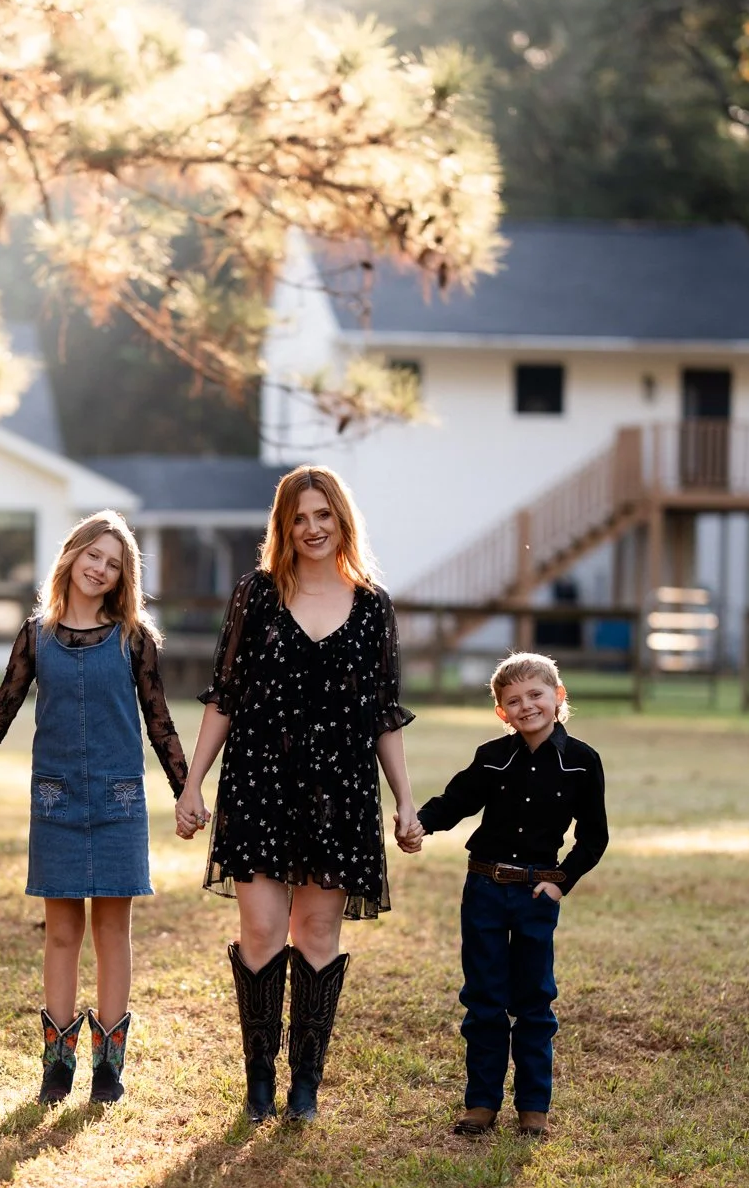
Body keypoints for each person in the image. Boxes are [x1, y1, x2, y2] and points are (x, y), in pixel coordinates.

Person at [175, 466, 421, 1125]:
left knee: (317, 930)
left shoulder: (372, 606)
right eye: (298, 517)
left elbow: (382, 715)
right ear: (282, 527)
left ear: (342, 521)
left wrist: (403, 801)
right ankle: (259, 1085)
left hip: (339, 793)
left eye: (323, 516)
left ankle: (303, 1089)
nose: (311, 528)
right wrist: (192, 782)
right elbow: (224, 696)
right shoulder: (256, 595)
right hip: (258, 784)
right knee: (259, 928)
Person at [0, 512, 189, 1106]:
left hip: (119, 799)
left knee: (112, 931)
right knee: (61, 933)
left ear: (123, 576)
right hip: (56, 801)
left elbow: (160, 723)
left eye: (114, 563)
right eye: (93, 556)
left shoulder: (136, 640)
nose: (100, 569)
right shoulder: (36, 635)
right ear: (72, 555)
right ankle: (58, 1066)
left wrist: (189, 790)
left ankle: (110, 1067)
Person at [416, 652, 608, 1142]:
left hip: (535, 894)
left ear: (558, 697)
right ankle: (481, 1103)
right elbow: (456, 801)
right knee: (483, 997)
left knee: (534, 1000)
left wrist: (562, 879)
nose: (527, 707)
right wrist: (419, 823)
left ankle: (533, 1107)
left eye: (537, 695)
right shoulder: (492, 756)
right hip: (483, 887)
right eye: (514, 701)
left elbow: (594, 836)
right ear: (502, 712)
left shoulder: (582, 762)